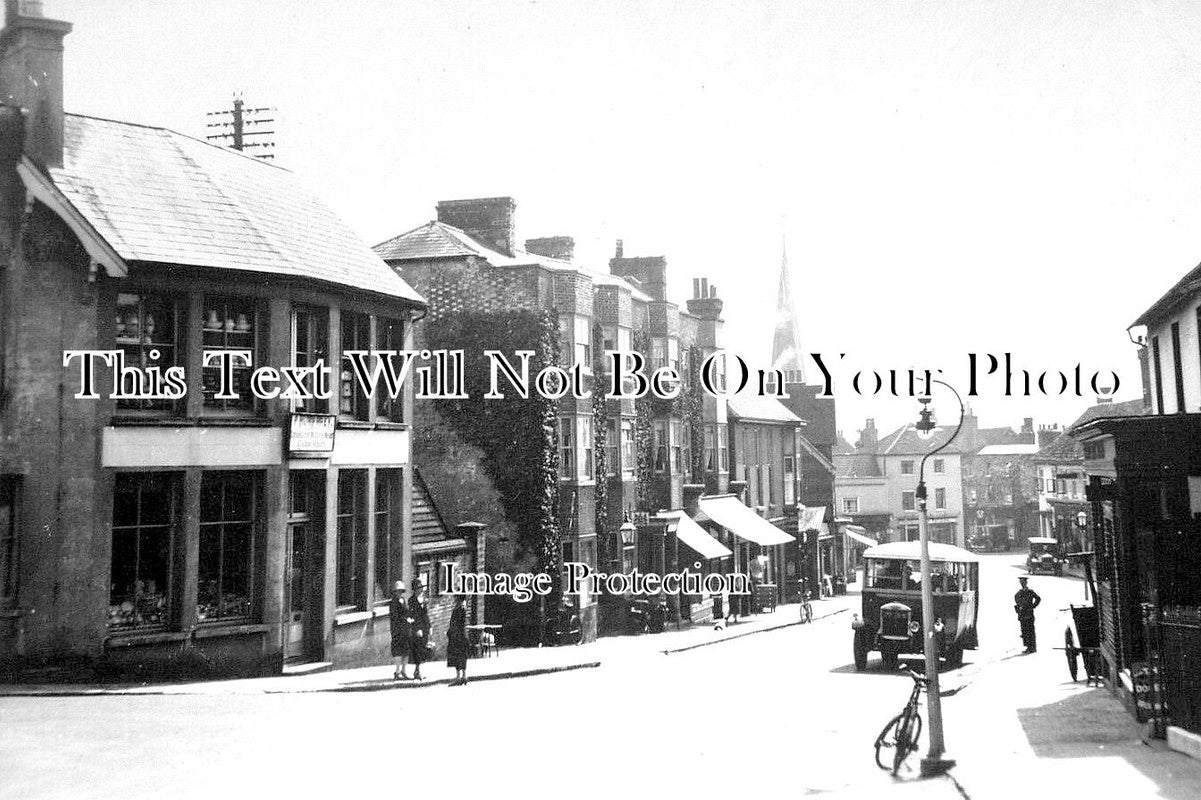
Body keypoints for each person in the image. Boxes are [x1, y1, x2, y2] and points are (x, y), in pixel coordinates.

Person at [408, 579, 432, 680]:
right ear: (414, 589)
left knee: (422, 650)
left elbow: (425, 614)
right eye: (418, 588)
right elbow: (413, 616)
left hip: (424, 627)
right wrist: (417, 629)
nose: (420, 590)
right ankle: (417, 672)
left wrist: (430, 626)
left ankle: (418, 671)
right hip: (417, 629)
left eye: (421, 588)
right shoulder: (412, 600)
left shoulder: (423, 599)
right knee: (417, 650)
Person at [388, 580, 411, 680]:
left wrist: (409, 618)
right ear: (394, 592)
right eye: (398, 591)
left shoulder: (403, 600)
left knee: (405, 651)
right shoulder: (393, 602)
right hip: (397, 630)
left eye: (401, 591)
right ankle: (397, 672)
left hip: (405, 629)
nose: (399, 593)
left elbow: (406, 612)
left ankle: (404, 670)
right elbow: (395, 617)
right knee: (398, 651)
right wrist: (406, 619)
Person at [1014, 576, 1042, 653]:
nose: (1022, 584)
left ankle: (1032, 647)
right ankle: (1028, 647)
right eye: (1021, 582)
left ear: (1026, 583)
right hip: (1023, 615)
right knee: (1024, 631)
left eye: (1023, 582)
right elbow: (1017, 602)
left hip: (1029, 614)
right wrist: (1018, 608)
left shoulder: (1030, 592)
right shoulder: (1018, 593)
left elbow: (1038, 598)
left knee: (1030, 631)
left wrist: (1033, 606)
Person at [447, 594, 469, 686]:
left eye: (455, 597)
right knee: (463, 655)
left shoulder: (459, 608)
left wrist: (450, 632)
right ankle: (464, 676)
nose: (454, 598)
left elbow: (456, 623)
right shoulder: (464, 607)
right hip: (463, 635)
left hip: (457, 636)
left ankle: (458, 677)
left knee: (457, 655)